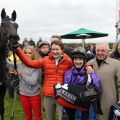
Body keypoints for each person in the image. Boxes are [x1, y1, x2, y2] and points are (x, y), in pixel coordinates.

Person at [14, 40, 72, 120]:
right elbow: (29, 62)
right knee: (49, 118)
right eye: (53, 49)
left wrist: (88, 66)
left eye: (57, 49)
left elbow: (78, 66)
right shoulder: (45, 60)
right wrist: (17, 49)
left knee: (63, 118)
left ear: (62, 50)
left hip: (62, 95)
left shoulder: (68, 61)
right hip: (48, 95)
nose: (54, 51)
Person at [63, 49, 101, 120]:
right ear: (73, 60)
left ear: (84, 61)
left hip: (87, 108)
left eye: (80, 59)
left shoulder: (90, 72)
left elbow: (97, 88)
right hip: (72, 106)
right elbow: (65, 91)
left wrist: (86, 95)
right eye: (75, 59)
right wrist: (65, 111)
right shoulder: (68, 73)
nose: (78, 61)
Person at [6, 46, 43, 120]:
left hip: (34, 95)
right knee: (27, 115)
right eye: (25, 53)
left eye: (30, 53)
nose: (27, 54)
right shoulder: (19, 64)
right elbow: (8, 64)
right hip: (23, 94)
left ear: (33, 54)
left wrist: (22, 74)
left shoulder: (37, 65)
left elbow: (32, 81)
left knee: (37, 116)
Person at [86, 43, 120, 120]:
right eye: (98, 50)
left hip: (109, 100)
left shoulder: (116, 64)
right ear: (95, 51)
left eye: (103, 50)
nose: (100, 53)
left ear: (107, 51)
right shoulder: (89, 63)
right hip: (92, 100)